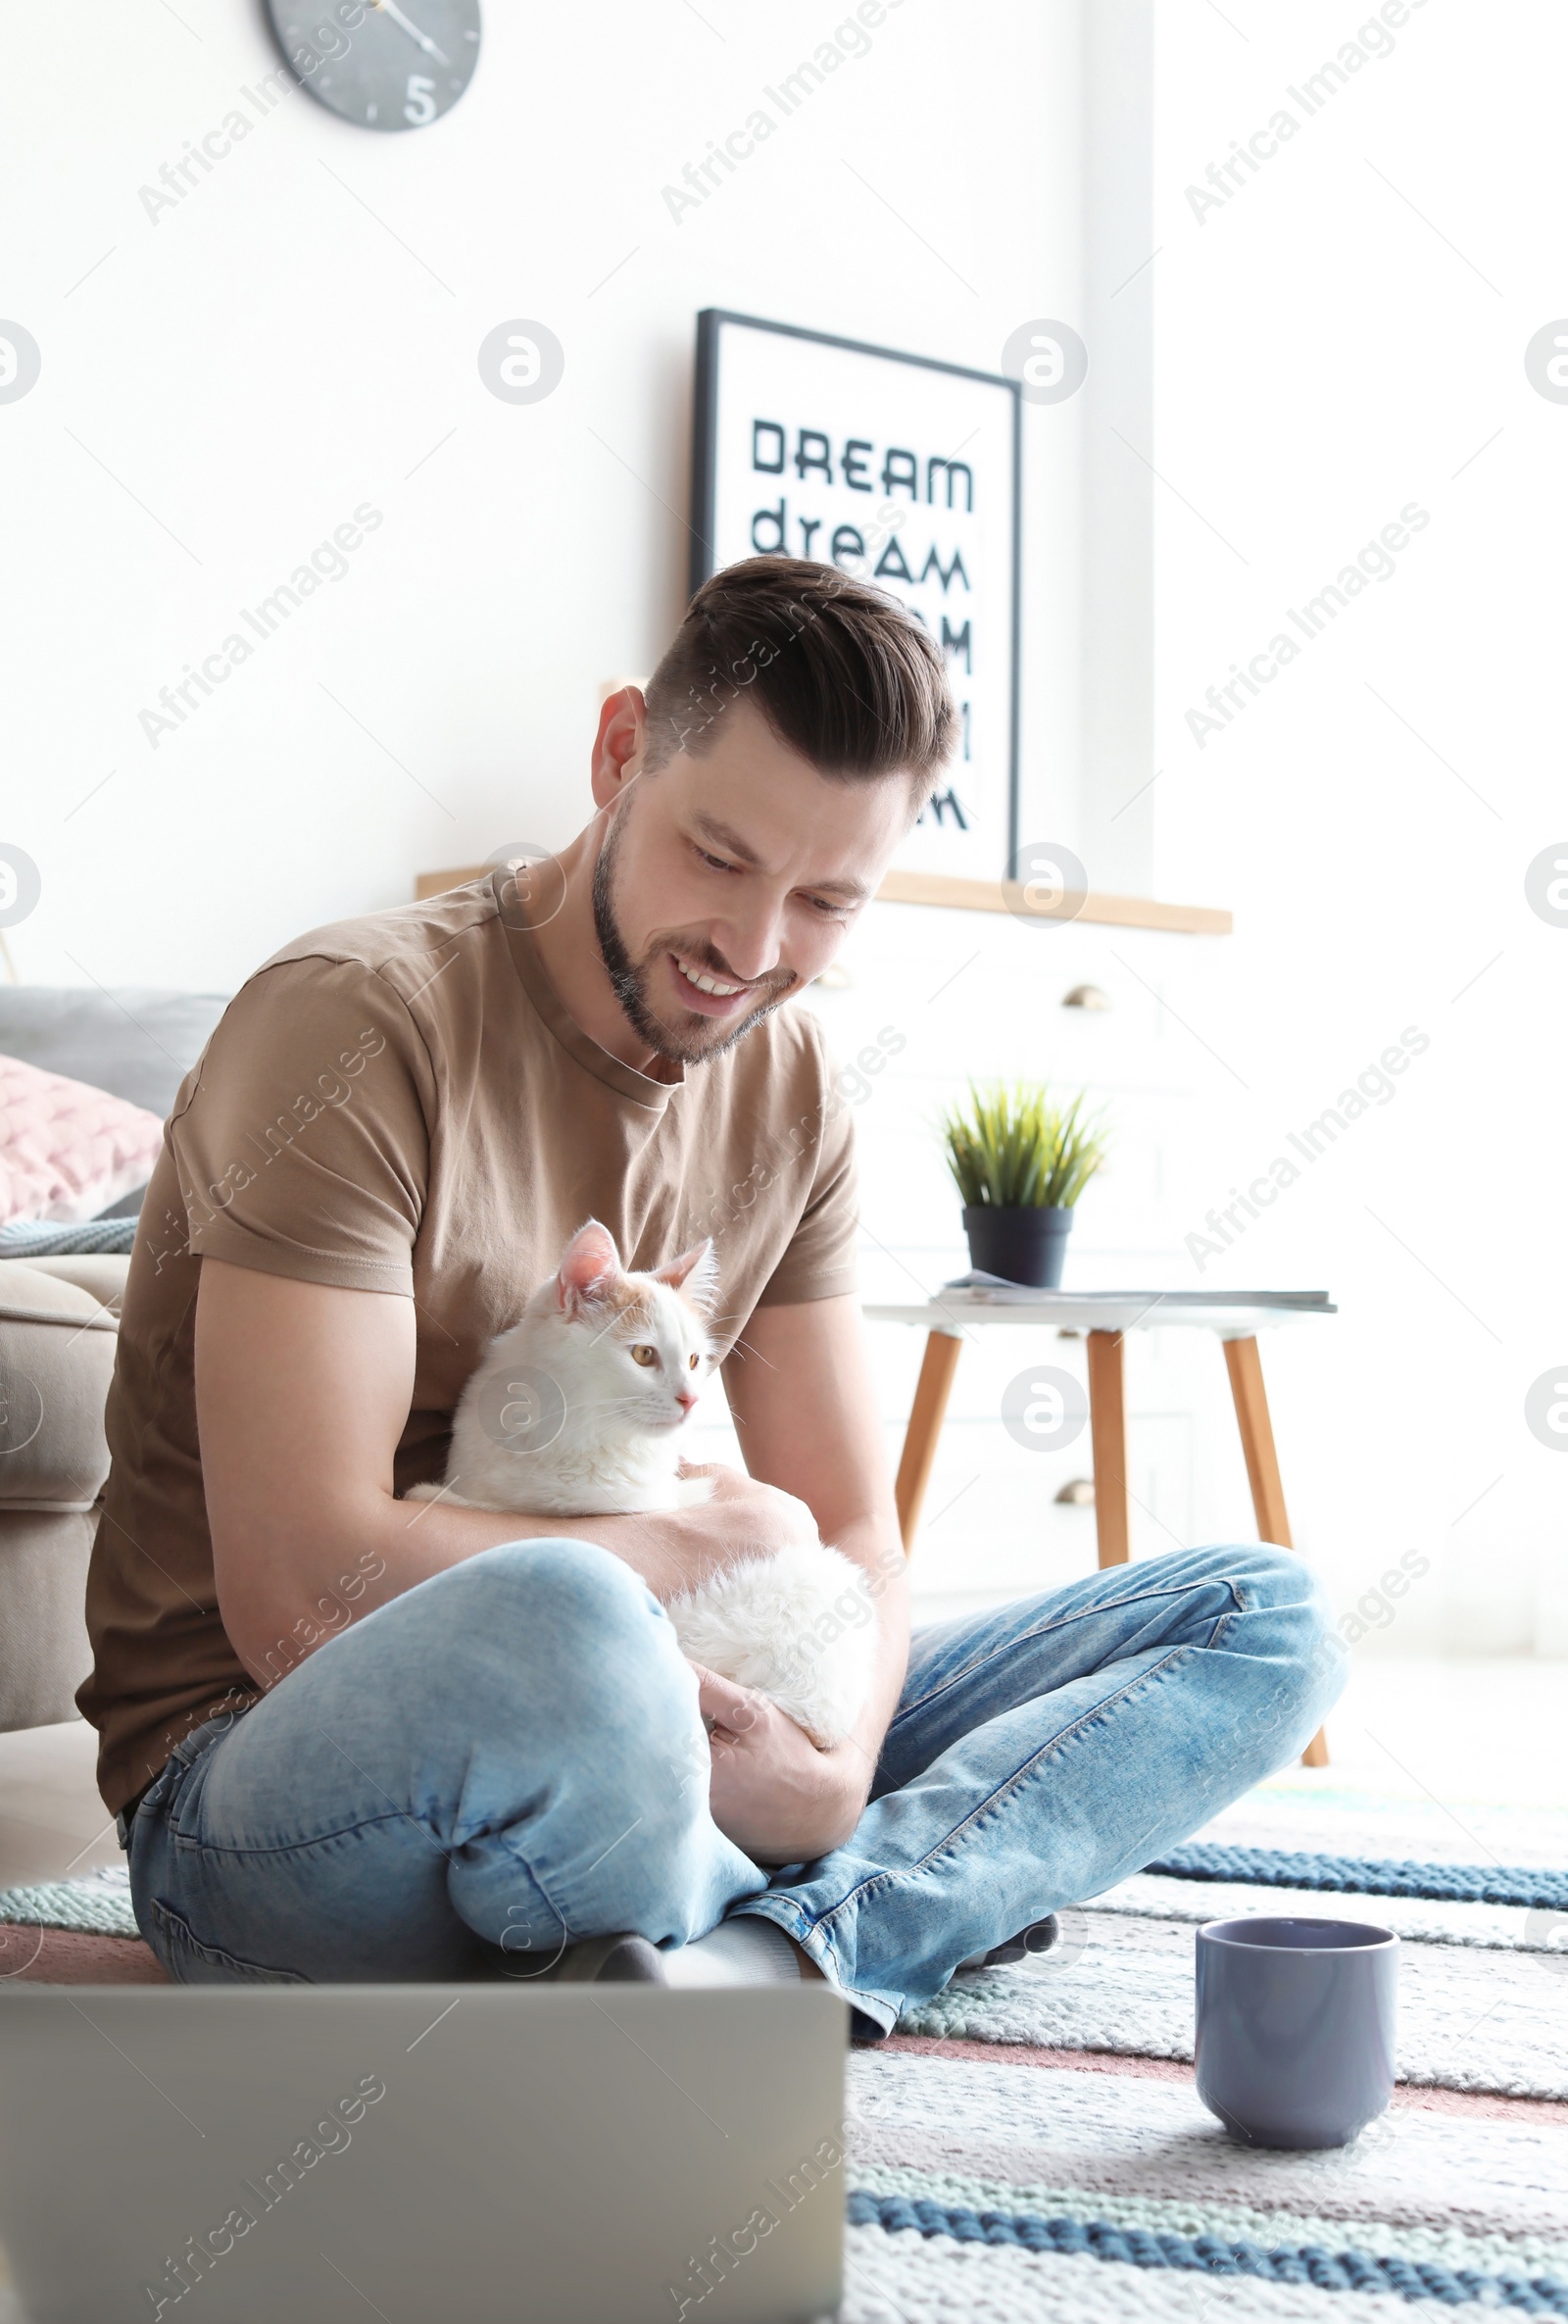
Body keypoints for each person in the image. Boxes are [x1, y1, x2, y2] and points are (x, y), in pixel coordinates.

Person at [79, 555, 1343, 2035]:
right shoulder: (356, 1025)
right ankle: (841, 1893)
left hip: (692, 1713)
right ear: (621, 754)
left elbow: (854, 1527)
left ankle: (787, 1945)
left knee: (1263, 1614)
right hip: (272, 1793)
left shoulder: (794, 1084)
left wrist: (831, 1762)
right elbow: (307, 1596)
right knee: (566, 1615)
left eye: (824, 902)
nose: (750, 954)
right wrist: (694, 1547)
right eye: (720, 858)